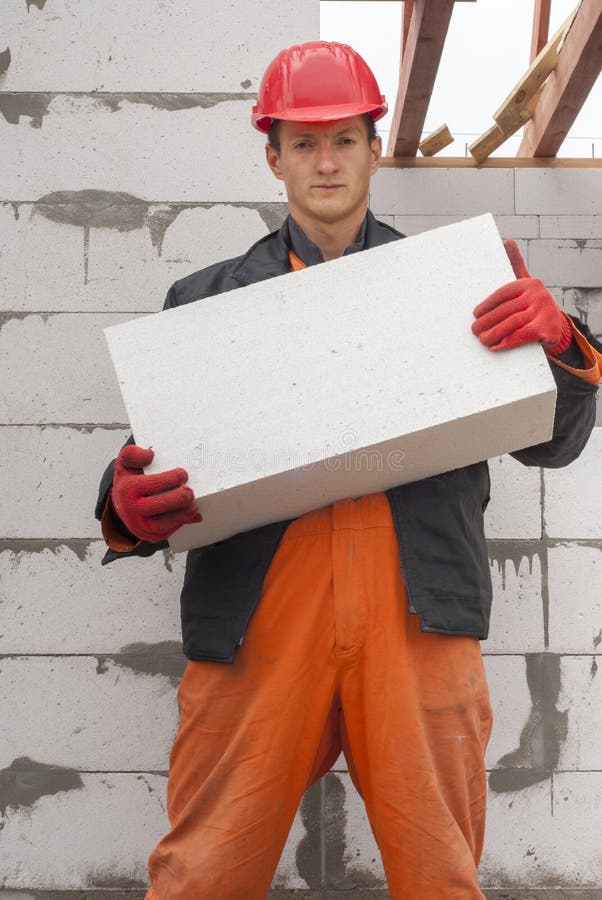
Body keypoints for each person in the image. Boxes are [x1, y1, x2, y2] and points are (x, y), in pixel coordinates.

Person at [96, 41, 601, 900]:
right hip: (261, 619)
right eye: (302, 142)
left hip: (417, 613)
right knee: (203, 874)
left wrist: (563, 346)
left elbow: (549, 442)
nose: (325, 162)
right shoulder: (206, 305)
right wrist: (122, 507)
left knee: (440, 876)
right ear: (273, 157)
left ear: (373, 149)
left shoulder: (456, 288)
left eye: (343, 140)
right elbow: (151, 470)